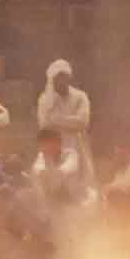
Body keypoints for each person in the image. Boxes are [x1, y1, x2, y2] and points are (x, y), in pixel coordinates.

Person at [38, 61, 93, 194]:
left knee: (79, 185)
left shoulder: (80, 96)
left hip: (77, 145)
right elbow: (44, 124)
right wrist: (69, 122)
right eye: (57, 79)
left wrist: (56, 119)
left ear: (69, 78)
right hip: (54, 148)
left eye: (63, 77)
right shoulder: (45, 99)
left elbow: (82, 122)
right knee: (55, 184)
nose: (60, 82)